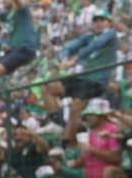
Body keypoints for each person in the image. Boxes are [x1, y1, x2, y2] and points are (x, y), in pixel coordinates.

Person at [44, 9, 118, 143]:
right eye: (95, 20)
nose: (98, 23)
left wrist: (74, 60)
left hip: (97, 80)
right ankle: (59, 123)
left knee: (76, 107)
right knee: (50, 88)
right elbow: (68, 48)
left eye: (102, 20)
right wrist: (64, 59)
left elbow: (96, 45)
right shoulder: (88, 37)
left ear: (109, 23)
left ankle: (68, 141)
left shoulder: (111, 34)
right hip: (83, 77)